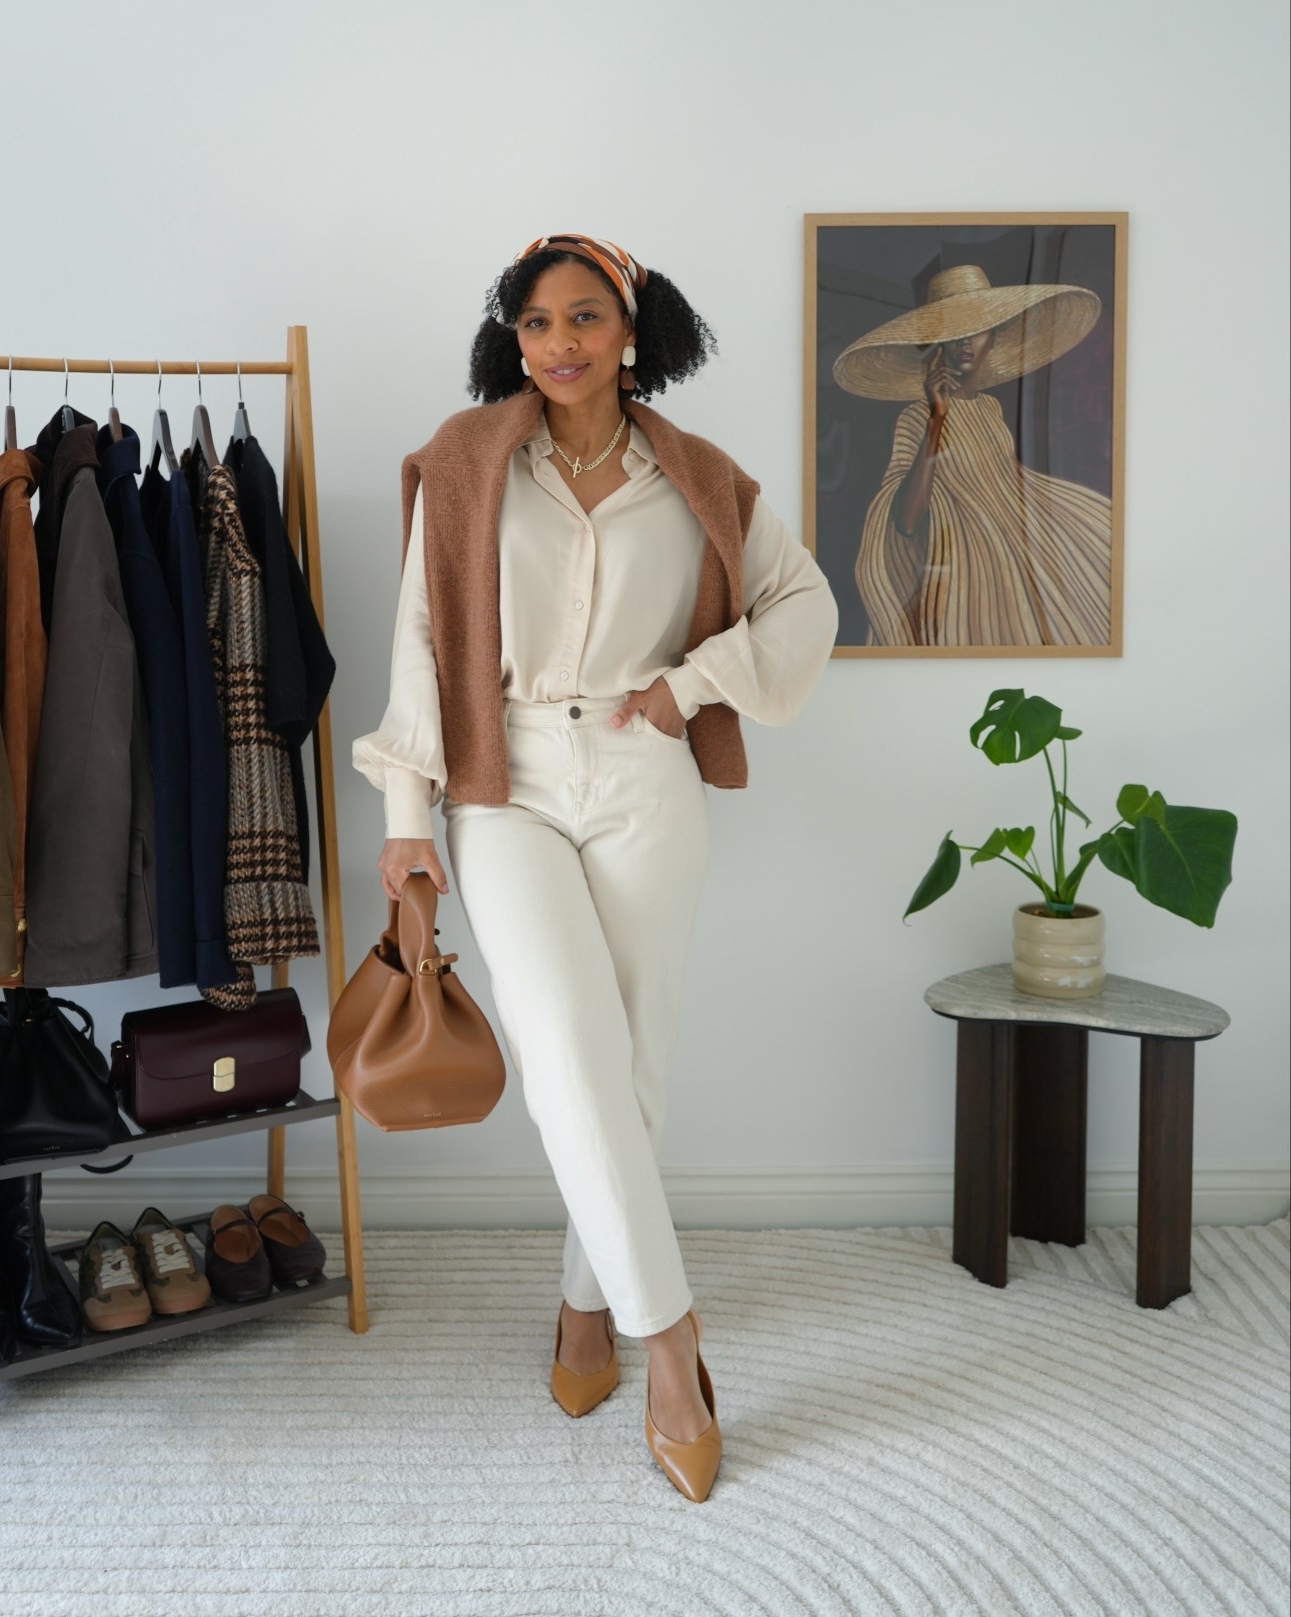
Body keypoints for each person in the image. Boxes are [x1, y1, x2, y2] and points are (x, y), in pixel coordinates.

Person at [352, 233, 838, 1502]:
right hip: (498, 777)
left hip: (640, 773)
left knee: (632, 1061)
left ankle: (585, 1306)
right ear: (512, 339)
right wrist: (406, 810)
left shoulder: (699, 480)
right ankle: (669, 1347)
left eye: (582, 317)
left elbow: (803, 603)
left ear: (632, 332)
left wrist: (689, 687)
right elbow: (416, 634)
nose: (556, 342)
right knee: (566, 1048)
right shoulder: (468, 462)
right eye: (532, 322)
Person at [834, 263, 1113, 648]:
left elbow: (1006, 484)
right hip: (965, 574)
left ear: (993, 338)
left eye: (978, 329)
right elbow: (906, 522)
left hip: (1017, 556)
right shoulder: (917, 416)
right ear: (938, 344)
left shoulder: (990, 410)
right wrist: (937, 417)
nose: (966, 342)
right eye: (954, 332)